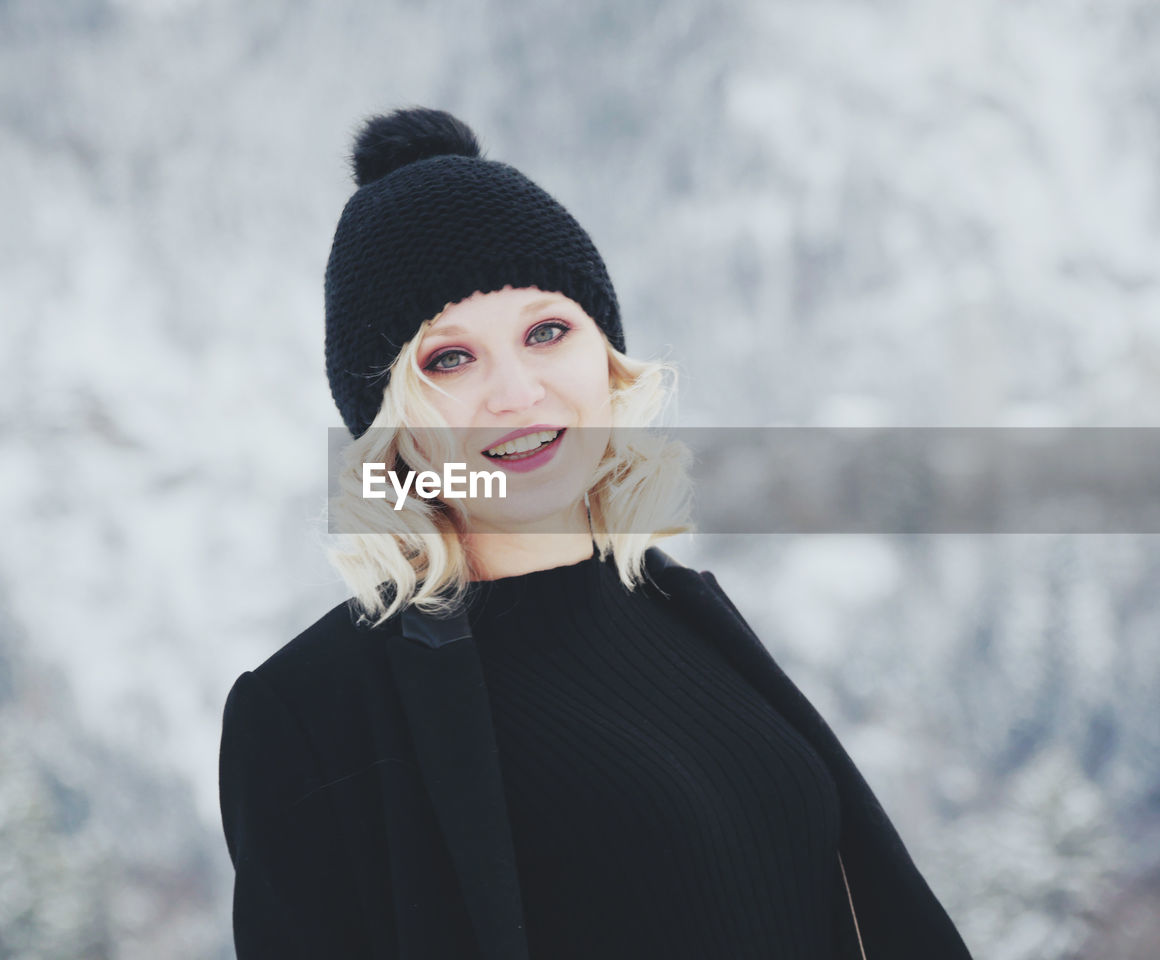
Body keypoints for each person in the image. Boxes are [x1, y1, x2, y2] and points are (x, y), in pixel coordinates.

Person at [218, 106, 974, 960]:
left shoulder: (679, 610)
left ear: (606, 359)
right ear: (390, 421)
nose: (517, 393)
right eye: (449, 358)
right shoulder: (311, 711)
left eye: (547, 332)